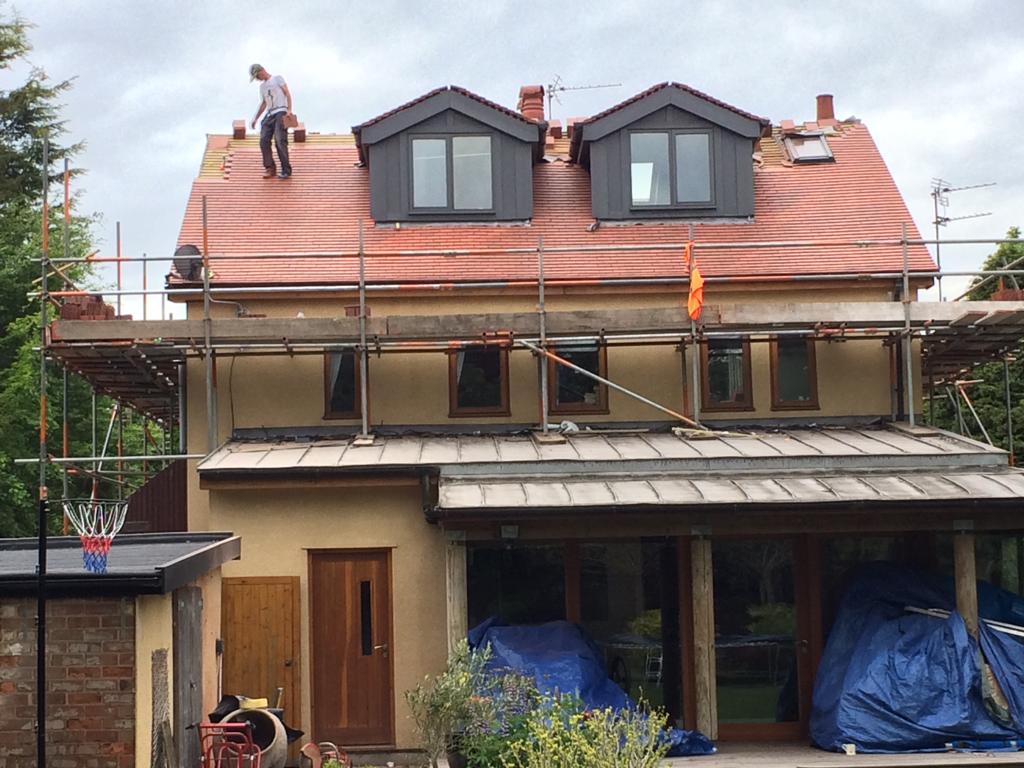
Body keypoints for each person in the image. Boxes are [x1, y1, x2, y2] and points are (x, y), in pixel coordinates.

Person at [249, 64, 294, 179]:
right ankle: (270, 168)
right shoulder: (262, 87)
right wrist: (256, 118)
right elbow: (264, 103)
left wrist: (289, 110)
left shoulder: (277, 79)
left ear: (262, 70)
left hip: (280, 111)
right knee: (263, 139)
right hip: (270, 114)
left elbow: (287, 93)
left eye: (257, 75)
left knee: (279, 140)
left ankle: (286, 170)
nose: (258, 79)